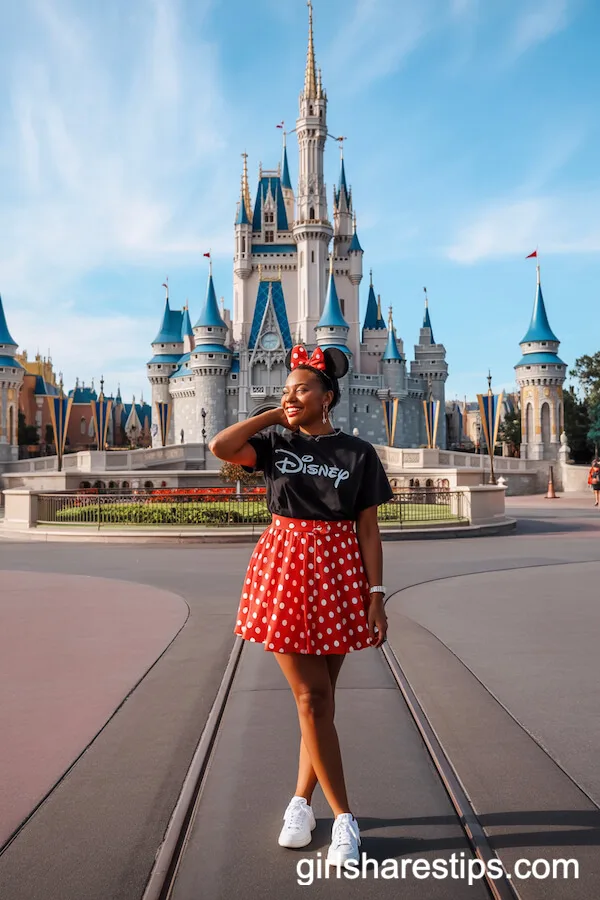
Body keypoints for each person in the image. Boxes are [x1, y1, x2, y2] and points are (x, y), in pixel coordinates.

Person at [209, 344, 393, 867]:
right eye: (286, 388)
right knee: (312, 700)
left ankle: (299, 802)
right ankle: (345, 820)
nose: (291, 395)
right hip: (286, 568)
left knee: (320, 704)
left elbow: (369, 530)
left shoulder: (358, 454)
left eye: (302, 388)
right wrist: (278, 411)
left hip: (339, 575)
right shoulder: (272, 442)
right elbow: (222, 445)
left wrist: (376, 596)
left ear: (328, 397)